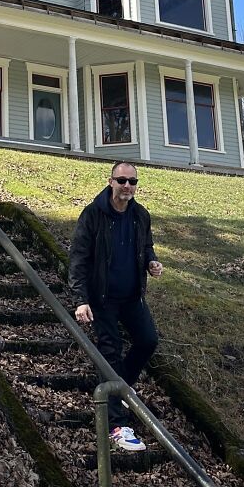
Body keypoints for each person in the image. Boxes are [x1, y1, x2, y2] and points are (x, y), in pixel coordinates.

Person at [69, 161, 163, 451]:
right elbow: (78, 258)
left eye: (132, 181)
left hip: (132, 297)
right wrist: (81, 299)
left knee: (148, 341)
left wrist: (151, 261)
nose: (127, 186)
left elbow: (146, 246)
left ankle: (120, 389)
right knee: (110, 353)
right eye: (122, 180)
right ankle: (116, 426)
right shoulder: (93, 215)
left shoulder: (140, 215)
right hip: (103, 300)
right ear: (110, 181)